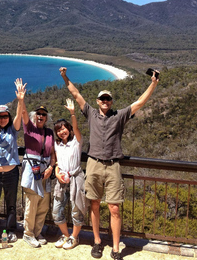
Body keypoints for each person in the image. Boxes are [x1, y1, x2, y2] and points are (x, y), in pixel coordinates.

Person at [60, 67, 159, 260]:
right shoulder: (90, 113)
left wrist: (153, 83)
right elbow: (75, 93)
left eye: (108, 99)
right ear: (97, 102)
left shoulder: (119, 116)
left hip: (113, 165)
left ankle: (115, 248)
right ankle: (97, 242)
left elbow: (140, 102)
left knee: (114, 208)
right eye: (102, 99)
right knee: (94, 205)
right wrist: (64, 76)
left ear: (111, 102)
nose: (105, 101)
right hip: (94, 164)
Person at [0, 79, 26, 244]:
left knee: (11, 205)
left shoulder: (13, 130)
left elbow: (18, 115)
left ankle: (11, 230)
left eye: (4, 116)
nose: (2, 119)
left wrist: (21, 99)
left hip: (11, 173)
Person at [21, 98, 56, 248]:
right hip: (32, 168)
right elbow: (23, 112)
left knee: (43, 204)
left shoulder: (49, 132)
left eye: (43, 114)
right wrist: (22, 99)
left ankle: (37, 231)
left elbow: (53, 153)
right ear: (34, 116)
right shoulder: (29, 128)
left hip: (45, 170)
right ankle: (28, 234)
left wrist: (51, 167)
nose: (40, 116)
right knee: (32, 203)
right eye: (38, 114)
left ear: (46, 118)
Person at [52, 98, 87, 250]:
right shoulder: (57, 144)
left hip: (76, 178)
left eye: (64, 128)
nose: (62, 132)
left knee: (76, 209)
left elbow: (77, 128)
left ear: (69, 129)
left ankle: (74, 237)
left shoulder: (76, 142)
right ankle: (66, 235)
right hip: (61, 180)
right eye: (58, 130)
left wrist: (72, 114)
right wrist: (57, 173)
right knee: (56, 210)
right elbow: (57, 162)